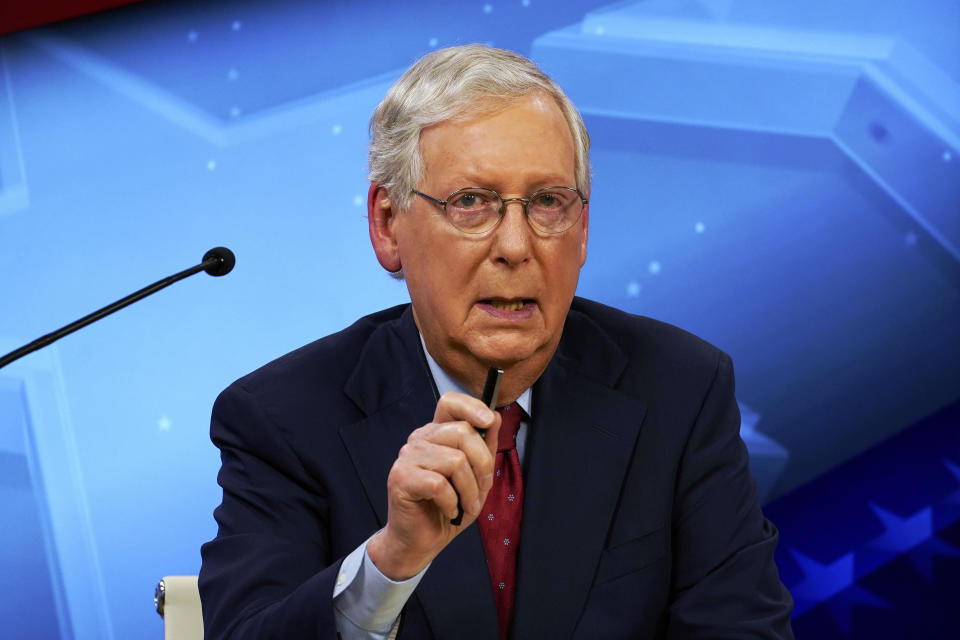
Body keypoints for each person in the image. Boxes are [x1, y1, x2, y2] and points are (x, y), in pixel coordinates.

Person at [199, 45, 794, 639]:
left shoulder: (680, 388)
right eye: (471, 203)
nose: (515, 245)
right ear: (387, 225)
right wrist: (391, 563)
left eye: (547, 203)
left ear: (582, 229)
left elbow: (741, 627)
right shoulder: (282, 419)